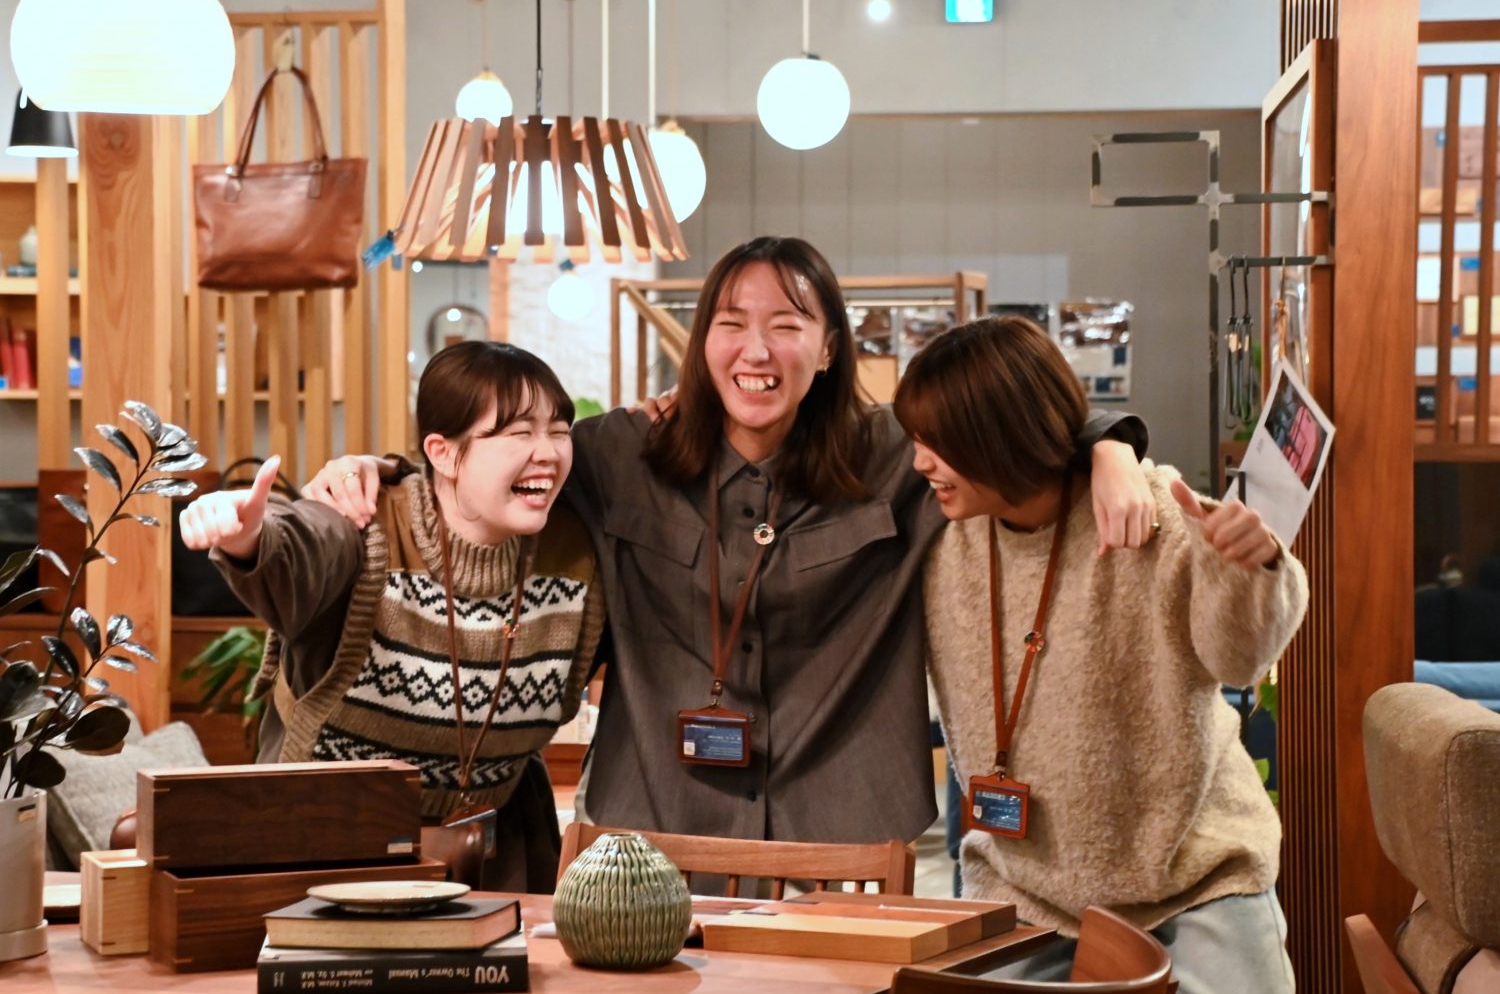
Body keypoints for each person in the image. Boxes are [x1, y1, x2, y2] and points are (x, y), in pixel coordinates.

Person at [303, 237, 1153, 853]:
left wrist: (1110, 446)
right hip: (655, 831)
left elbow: (1015, 425)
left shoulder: (896, 455)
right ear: (701, 340)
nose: (756, 349)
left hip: (846, 833)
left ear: (829, 347)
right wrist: (374, 468)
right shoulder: (620, 456)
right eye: (731, 322)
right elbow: (489, 466)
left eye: (787, 324)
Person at [896, 316, 1306, 993]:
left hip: (1195, 878)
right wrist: (1112, 442)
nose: (918, 463)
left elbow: (1240, 661)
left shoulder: (1146, 511)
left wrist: (1252, 569)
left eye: (936, 443)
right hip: (1023, 888)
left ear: (1000, 436)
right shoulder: (940, 539)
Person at [179, 342, 604, 892]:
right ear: (443, 453)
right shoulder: (366, 521)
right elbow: (303, 544)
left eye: (559, 431)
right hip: (329, 851)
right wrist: (249, 536)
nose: (547, 452)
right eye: (519, 433)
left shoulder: (575, 549)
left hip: (499, 861)